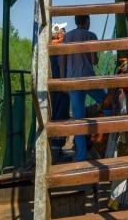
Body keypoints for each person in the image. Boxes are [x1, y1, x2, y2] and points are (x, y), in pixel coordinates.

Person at [59, 14, 106, 162]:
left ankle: (81, 157)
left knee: (78, 120)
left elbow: (62, 62)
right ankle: (106, 139)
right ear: (87, 21)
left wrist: (63, 82)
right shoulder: (91, 35)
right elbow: (94, 60)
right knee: (108, 103)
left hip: (72, 81)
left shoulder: (67, 37)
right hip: (89, 79)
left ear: (75, 22)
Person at [49, 22, 70, 156]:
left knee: (58, 114)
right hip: (60, 86)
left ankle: (57, 150)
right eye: (63, 30)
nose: (65, 32)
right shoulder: (58, 48)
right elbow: (61, 66)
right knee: (60, 116)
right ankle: (57, 152)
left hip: (55, 86)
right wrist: (64, 85)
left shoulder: (52, 47)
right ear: (58, 33)